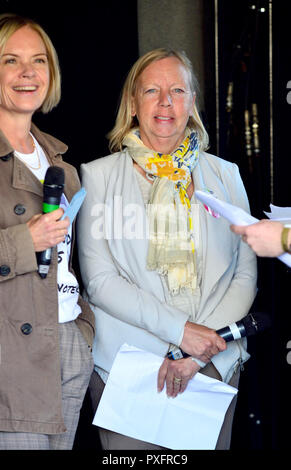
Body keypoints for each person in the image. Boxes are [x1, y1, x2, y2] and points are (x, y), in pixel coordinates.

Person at [77, 48, 257, 450]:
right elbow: (101, 281)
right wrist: (181, 334)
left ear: (191, 101)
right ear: (132, 103)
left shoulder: (226, 175)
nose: (165, 102)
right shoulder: (97, 177)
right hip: (130, 369)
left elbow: (245, 274)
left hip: (212, 367)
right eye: (152, 91)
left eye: (177, 90)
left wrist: (199, 352)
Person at [0, 13, 94, 450]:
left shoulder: (63, 166)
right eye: (10, 61)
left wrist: (83, 330)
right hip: (12, 359)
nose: (27, 73)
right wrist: (24, 241)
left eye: (38, 61)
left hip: (68, 343)